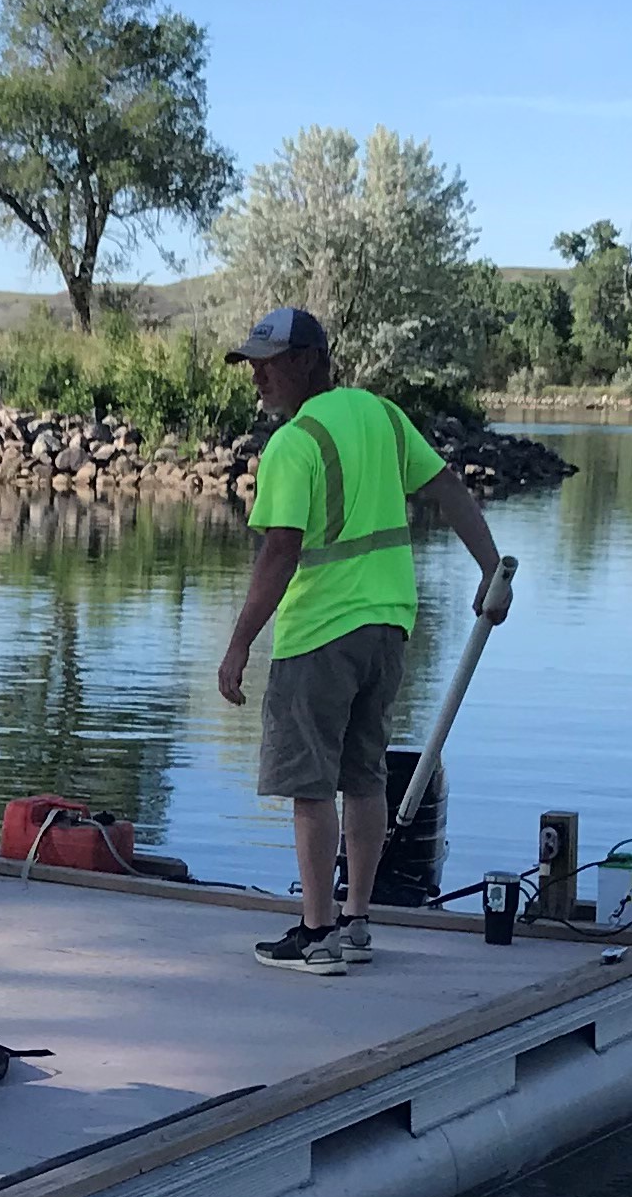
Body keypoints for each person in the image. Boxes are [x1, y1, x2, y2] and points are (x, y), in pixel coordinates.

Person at [214, 304, 511, 973]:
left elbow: (280, 552)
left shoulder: (293, 444)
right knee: (364, 774)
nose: (258, 375)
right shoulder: (382, 416)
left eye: (270, 362)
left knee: (311, 783)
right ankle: (355, 922)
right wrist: (492, 568)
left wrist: (238, 646)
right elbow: (449, 491)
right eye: (252, 364)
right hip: (388, 629)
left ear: (308, 362)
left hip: (318, 630)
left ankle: (316, 934)